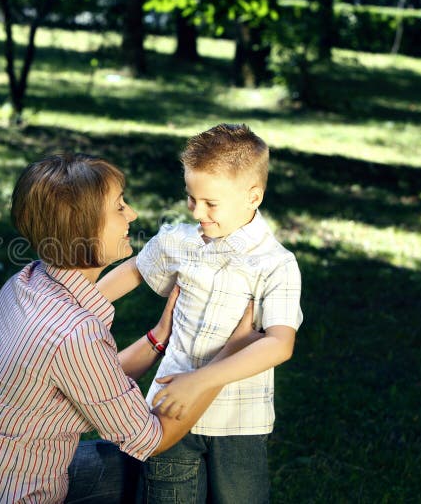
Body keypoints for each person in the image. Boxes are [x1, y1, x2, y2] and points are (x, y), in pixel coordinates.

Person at [0, 153, 258, 503]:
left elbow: (93, 378)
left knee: (142, 468)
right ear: (83, 228)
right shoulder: (74, 333)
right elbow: (151, 438)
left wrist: (160, 335)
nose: (132, 214)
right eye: (118, 208)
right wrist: (226, 357)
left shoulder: (26, 282)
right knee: (165, 462)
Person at [96, 124, 303, 503]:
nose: (197, 211)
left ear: (253, 196)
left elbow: (279, 344)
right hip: (168, 409)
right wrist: (79, 305)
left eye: (211, 203)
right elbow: (133, 270)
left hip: (238, 423)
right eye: (191, 198)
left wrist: (202, 379)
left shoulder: (275, 264)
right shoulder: (179, 240)